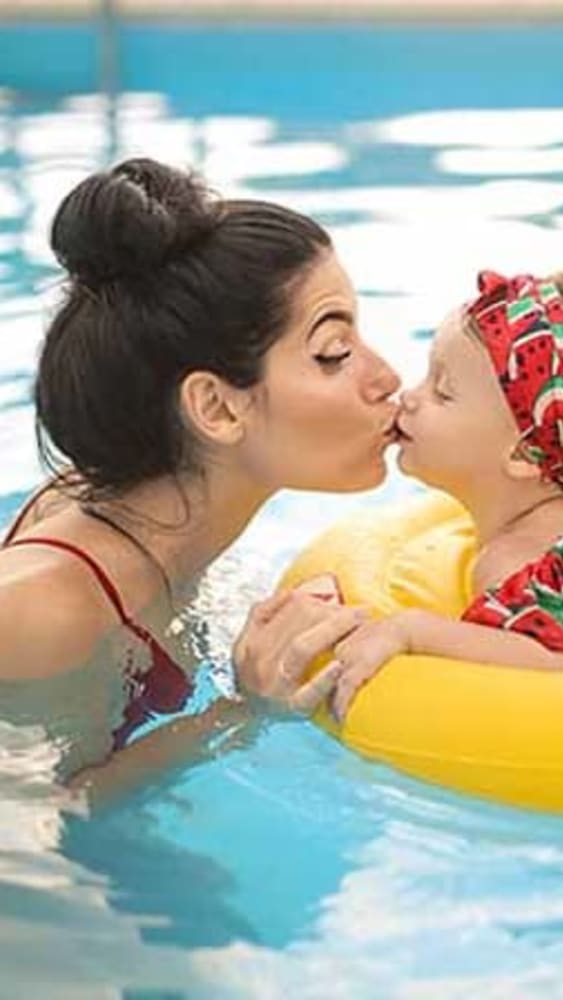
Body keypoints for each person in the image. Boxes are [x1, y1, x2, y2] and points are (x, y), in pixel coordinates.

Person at [0, 157, 399, 795]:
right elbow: (24, 835)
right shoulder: (47, 607)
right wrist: (244, 712)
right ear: (215, 407)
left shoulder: (143, 505)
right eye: (334, 353)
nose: (386, 378)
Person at [330, 267, 563, 720]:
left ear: (524, 455)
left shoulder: (511, 562)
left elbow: (551, 667)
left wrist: (411, 631)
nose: (410, 397)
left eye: (442, 392)